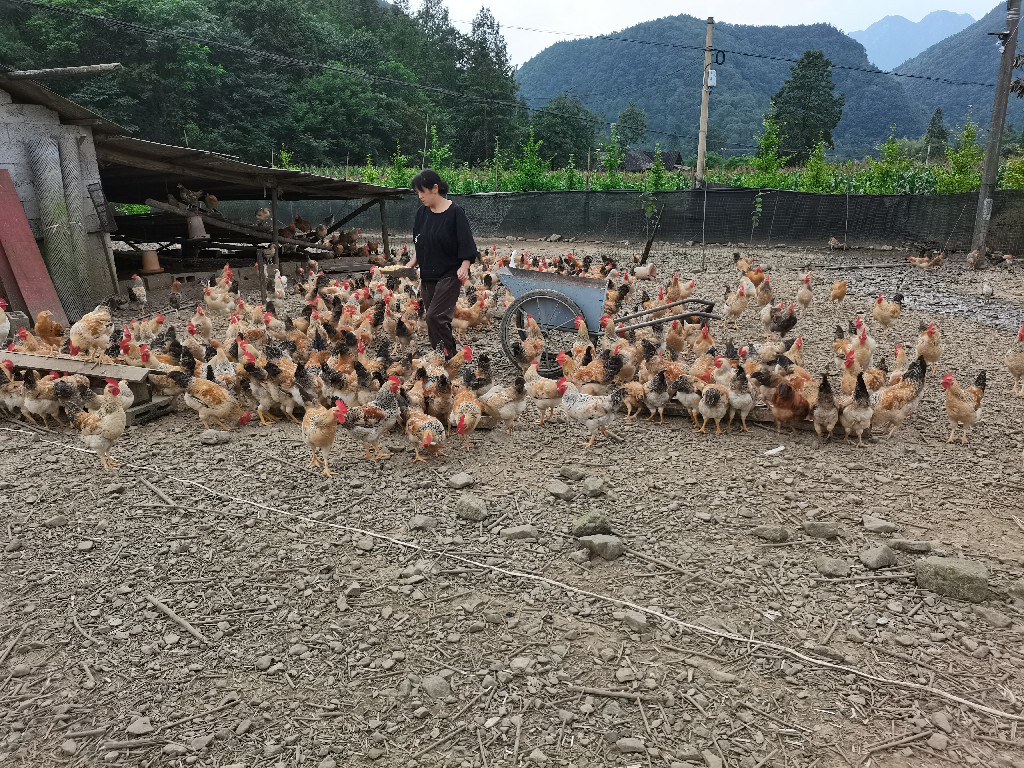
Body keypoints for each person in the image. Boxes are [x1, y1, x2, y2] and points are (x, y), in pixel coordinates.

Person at [407, 169, 477, 358]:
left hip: (450, 273)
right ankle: (441, 355)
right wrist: (411, 263)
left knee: (435, 317)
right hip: (428, 274)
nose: (420, 196)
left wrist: (465, 265)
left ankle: (449, 356)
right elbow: (419, 241)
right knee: (434, 319)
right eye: (417, 193)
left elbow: (467, 243)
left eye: (422, 192)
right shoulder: (422, 214)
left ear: (435, 188)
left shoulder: (455, 213)